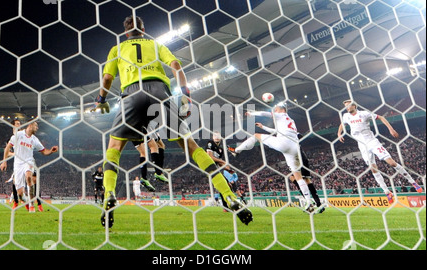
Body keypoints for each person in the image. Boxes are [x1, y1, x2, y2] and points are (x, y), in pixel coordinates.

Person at [92, 15, 252, 228]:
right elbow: (176, 65)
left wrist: (101, 99)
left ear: (126, 32)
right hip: (160, 92)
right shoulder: (156, 45)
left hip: (131, 94)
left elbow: (107, 79)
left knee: (114, 147)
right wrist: (185, 95)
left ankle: (109, 193)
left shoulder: (117, 49)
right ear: (144, 29)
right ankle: (228, 194)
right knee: (192, 147)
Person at [228, 102, 315, 212]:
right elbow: (276, 131)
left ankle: (236, 150)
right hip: (294, 147)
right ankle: (308, 202)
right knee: (298, 176)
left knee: (256, 136)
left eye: (276, 109)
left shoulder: (281, 115)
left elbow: (266, 114)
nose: (275, 111)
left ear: (282, 110)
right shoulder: (290, 121)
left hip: (283, 143)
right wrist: (263, 127)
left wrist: (252, 113)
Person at [337, 99, 423, 204]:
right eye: (346, 106)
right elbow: (342, 124)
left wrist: (391, 129)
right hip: (362, 146)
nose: (347, 107)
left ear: (354, 106)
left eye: (349, 105)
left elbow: (381, 117)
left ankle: (413, 182)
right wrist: (339, 133)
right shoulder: (346, 116)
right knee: (373, 169)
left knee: (391, 162)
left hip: (372, 142)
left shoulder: (364, 114)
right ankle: (387, 192)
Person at [0, 121, 58, 213]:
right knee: (20, 194)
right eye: (36, 126)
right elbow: (7, 148)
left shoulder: (35, 139)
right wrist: (4, 162)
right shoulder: (18, 135)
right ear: (30, 125)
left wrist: (51, 150)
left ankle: (32, 204)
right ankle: (26, 201)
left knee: (29, 177)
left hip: (29, 161)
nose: (37, 128)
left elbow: (44, 152)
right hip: (18, 164)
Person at [206, 131, 246, 210]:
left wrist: (228, 169)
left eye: (218, 136)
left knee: (224, 186)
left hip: (216, 168)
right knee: (224, 185)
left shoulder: (221, 149)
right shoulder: (210, 143)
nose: (216, 137)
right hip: (210, 168)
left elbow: (218, 161)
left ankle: (226, 207)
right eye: (215, 136)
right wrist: (223, 162)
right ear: (213, 137)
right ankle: (227, 206)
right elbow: (210, 157)